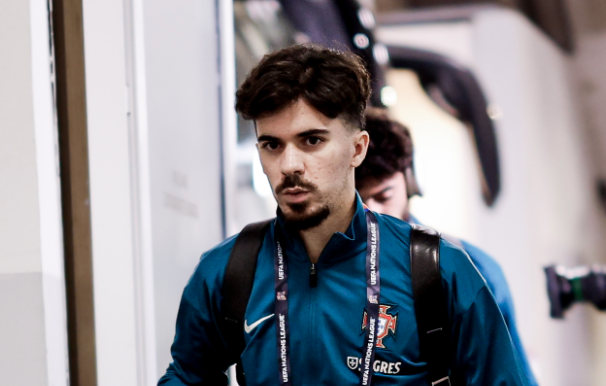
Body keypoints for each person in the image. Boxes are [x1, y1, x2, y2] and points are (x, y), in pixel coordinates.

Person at [158, 44, 529, 385]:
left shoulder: (438, 271)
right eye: (271, 145)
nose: (289, 165)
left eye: (312, 141)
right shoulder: (228, 271)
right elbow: (188, 376)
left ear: (357, 148)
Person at [355, 107, 538, 386]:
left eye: (384, 195)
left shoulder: (470, 269)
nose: (373, 214)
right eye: (360, 202)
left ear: (411, 181)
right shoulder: (321, 271)